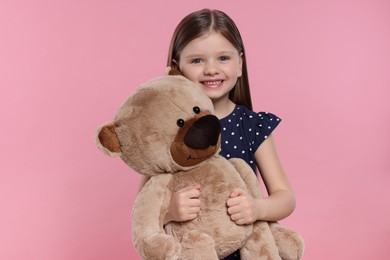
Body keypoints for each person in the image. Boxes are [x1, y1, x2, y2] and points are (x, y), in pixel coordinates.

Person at [137, 8, 296, 259]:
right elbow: (143, 208)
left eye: (223, 58)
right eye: (197, 60)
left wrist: (256, 208)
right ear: (177, 69)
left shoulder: (253, 126)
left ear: (240, 63)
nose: (211, 69)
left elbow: (285, 198)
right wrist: (169, 212)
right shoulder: (167, 130)